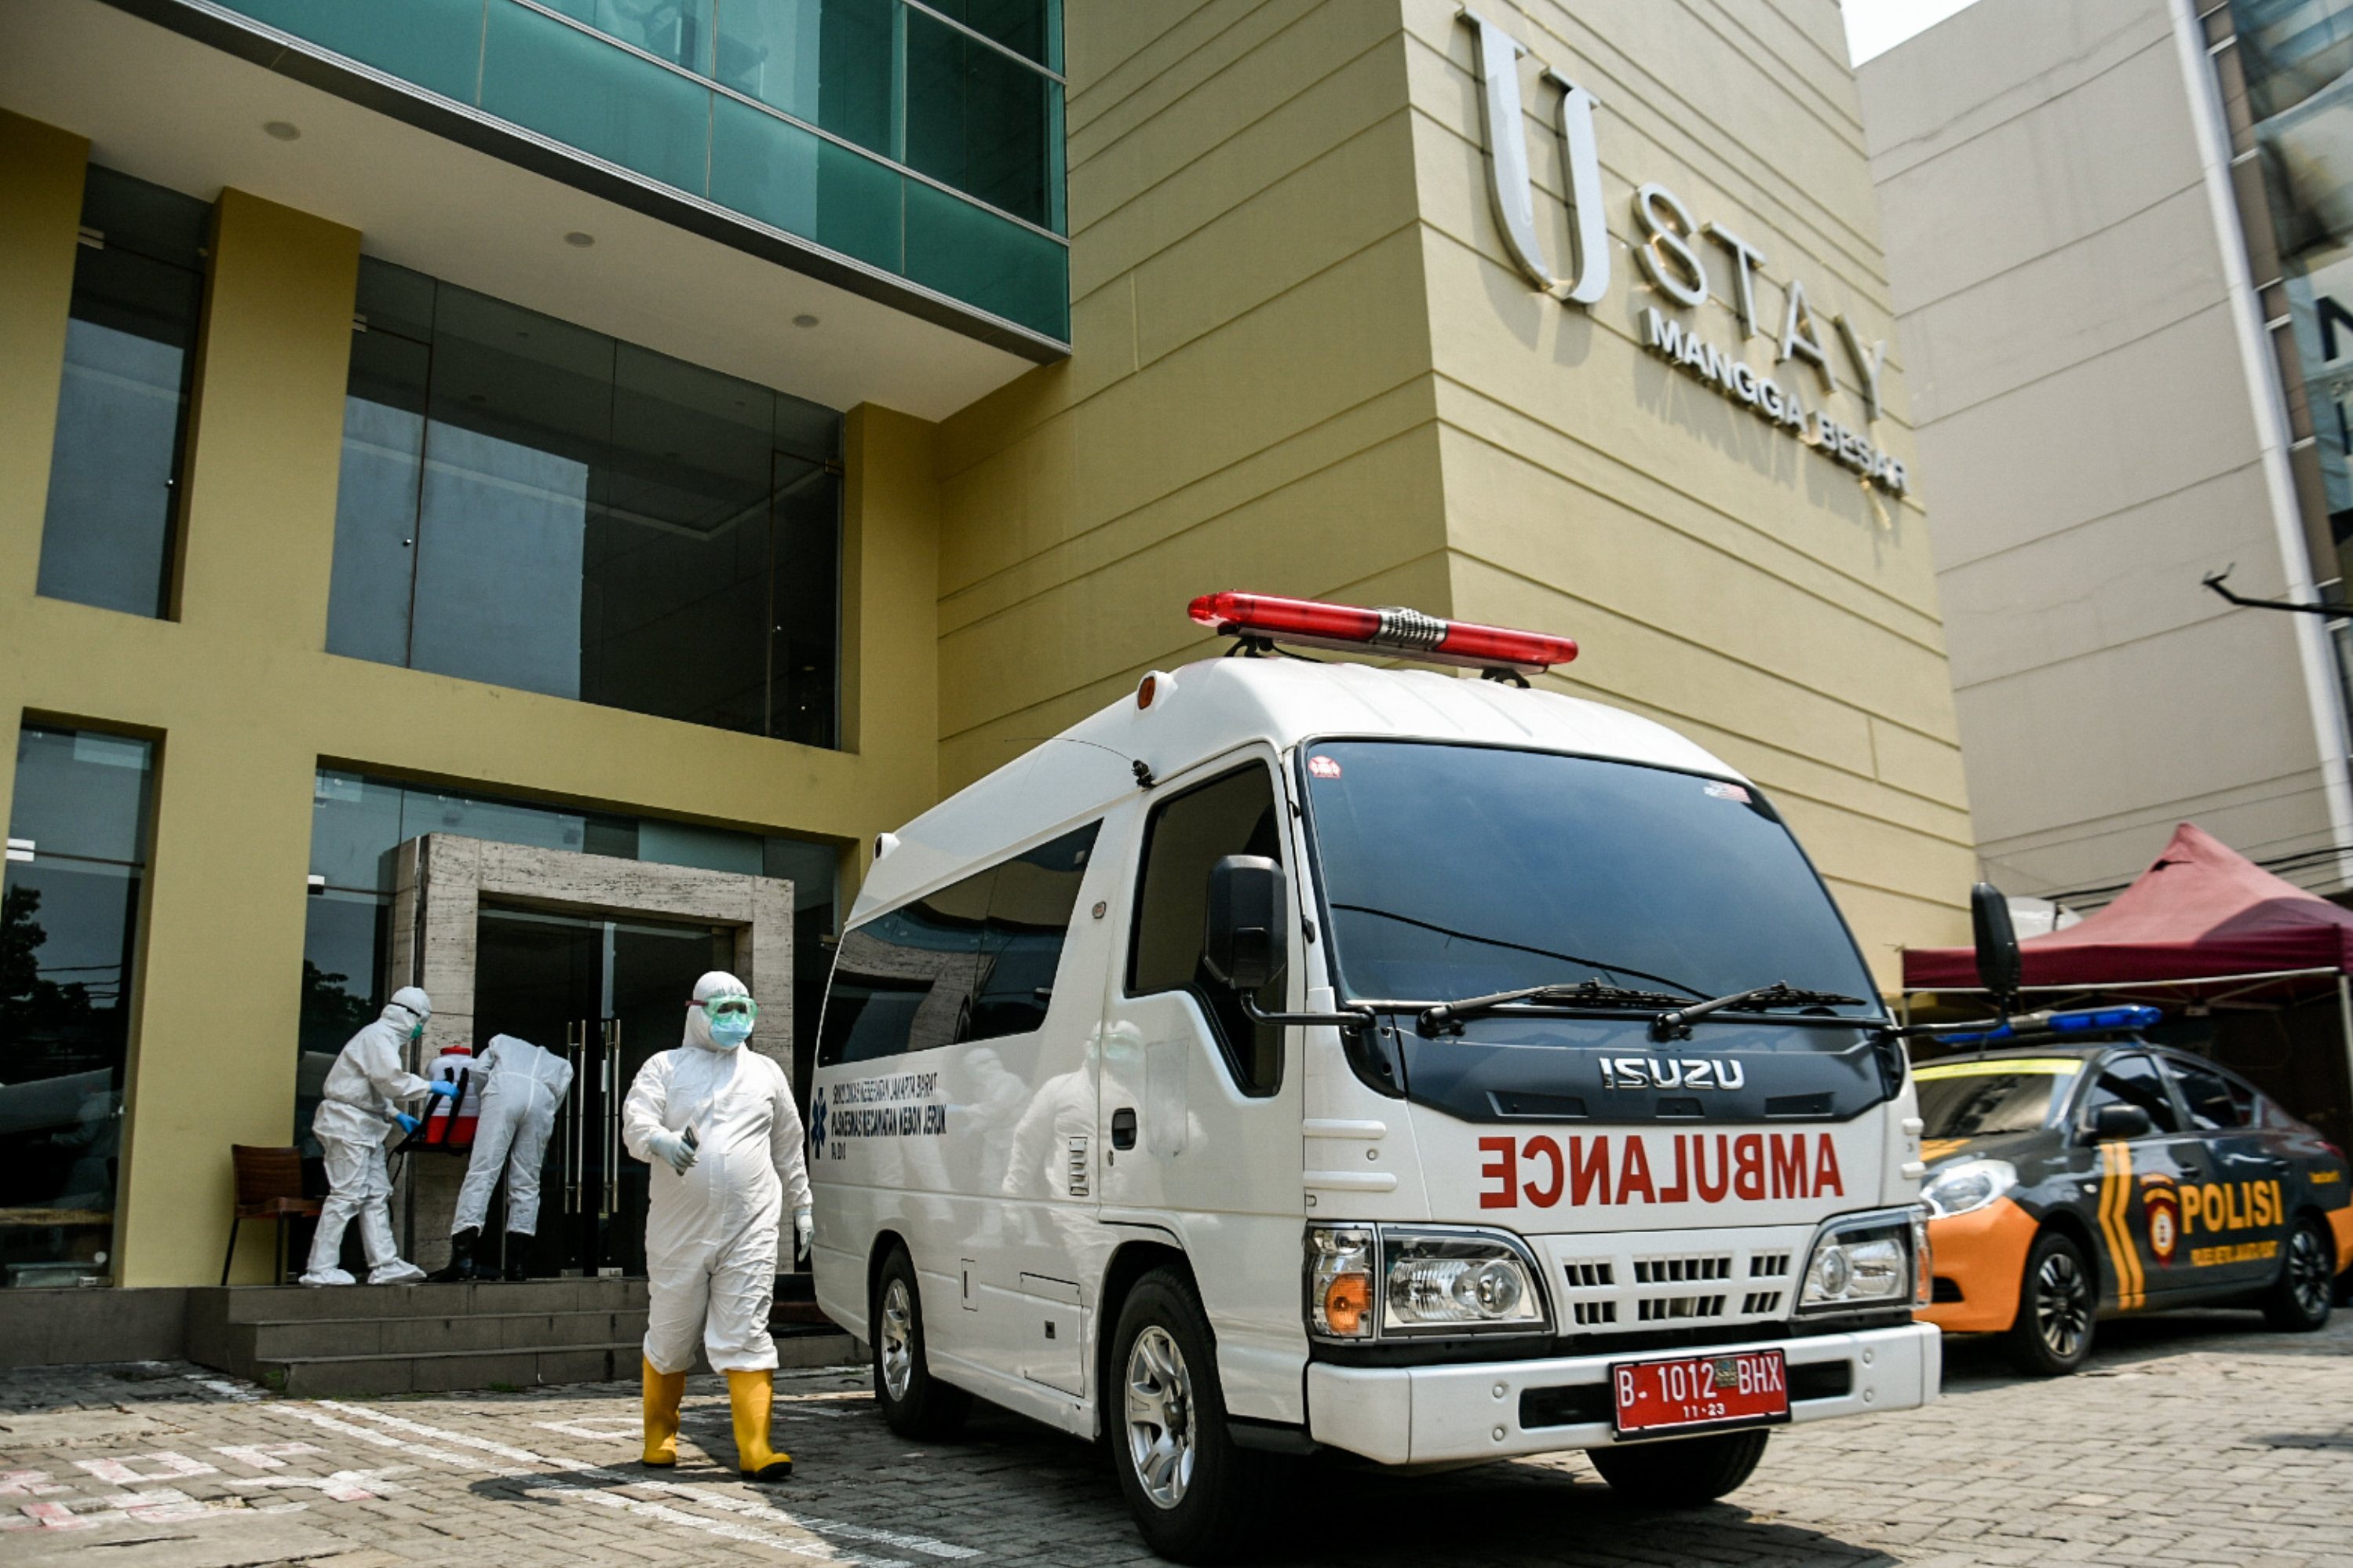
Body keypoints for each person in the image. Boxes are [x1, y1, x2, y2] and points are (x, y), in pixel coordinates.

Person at [622, 971, 812, 1481]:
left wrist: (803, 1204)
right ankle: (659, 1435)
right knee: (671, 1330)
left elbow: (788, 1144)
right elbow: (636, 1120)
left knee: (748, 1328)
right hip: (678, 1228)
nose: (734, 1021)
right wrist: (658, 1142)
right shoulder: (665, 1067)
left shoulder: (766, 1072)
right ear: (696, 1012)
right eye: (722, 1010)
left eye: (742, 1010)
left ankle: (756, 1447)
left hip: (750, 1226)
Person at [299, 987, 455, 1286]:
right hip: (347, 1125)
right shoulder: (378, 1036)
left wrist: (397, 1115)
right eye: (422, 1021)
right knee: (346, 1194)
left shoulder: (379, 1038)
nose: (421, 1029)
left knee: (375, 1195)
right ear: (410, 1015)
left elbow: (369, 1087)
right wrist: (430, 1087)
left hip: (363, 1126)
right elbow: (390, 1080)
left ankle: (384, 1263)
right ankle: (320, 1267)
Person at [433, 1033, 575, 1282]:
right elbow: (556, 1101)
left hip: (504, 1090)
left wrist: (486, 1098)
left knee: (483, 1171)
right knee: (527, 1182)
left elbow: (478, 1071)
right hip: (543, 1099)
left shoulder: (501, 1043)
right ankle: (517, 1266)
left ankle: (463, 1261)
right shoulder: (559, 1064)